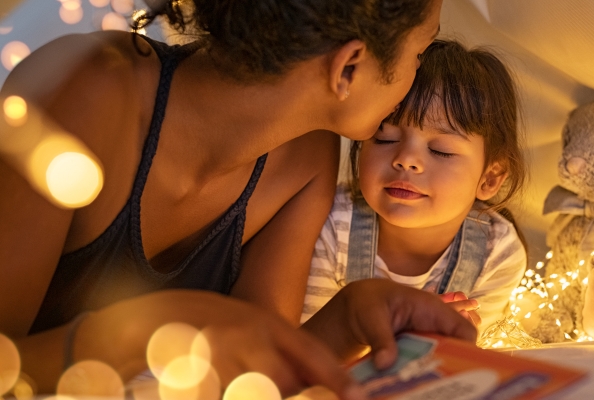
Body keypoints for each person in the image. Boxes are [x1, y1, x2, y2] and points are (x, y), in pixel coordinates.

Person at [0, 0, 481, 397]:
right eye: (419, 52)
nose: (416, 76)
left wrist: (349, 319)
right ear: (348, 66)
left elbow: (253, 376)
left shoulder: (307, 159)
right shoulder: (87, 90)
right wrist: (139, 331)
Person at [302, 40, 528, 333]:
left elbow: (471, 357)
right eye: (386, 139)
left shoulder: (497, 252)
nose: (406, 160)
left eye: (441, 150)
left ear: (490, 178)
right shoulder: (331, 226)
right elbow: (308, 347)